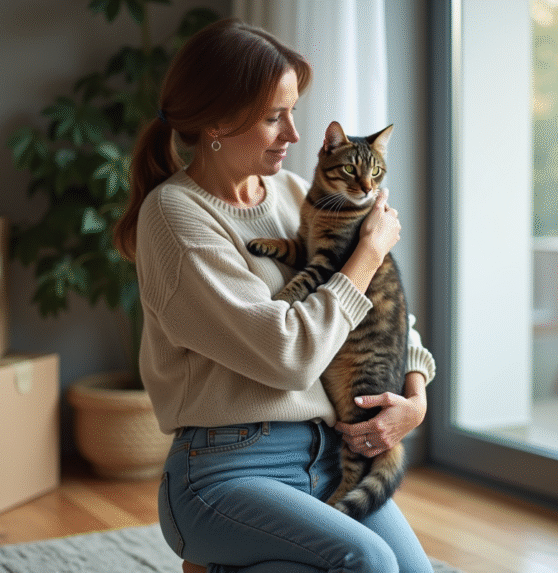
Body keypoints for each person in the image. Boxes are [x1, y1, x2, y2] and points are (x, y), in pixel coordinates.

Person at [113, 18, 436, 573]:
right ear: (217, 122)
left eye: (292, 112)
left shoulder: (292, 193)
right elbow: (289, 357)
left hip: (329, 456)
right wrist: (368, 250)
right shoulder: (174, 217)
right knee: (366, 561)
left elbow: (385, 307)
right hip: (224, 471)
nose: (294, 134)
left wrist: (415, 394)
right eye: (273, 117)